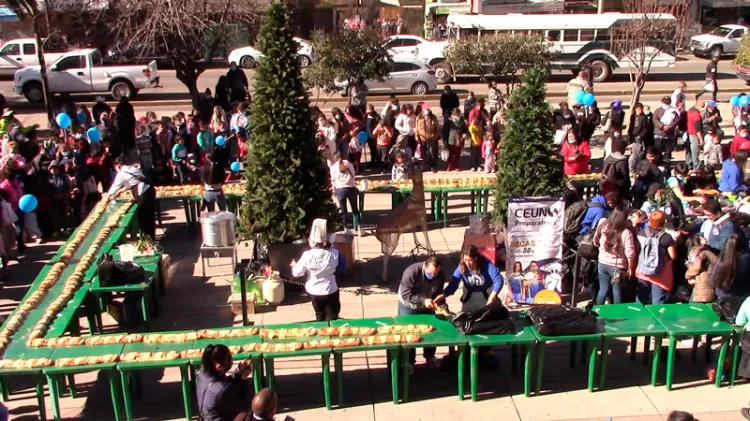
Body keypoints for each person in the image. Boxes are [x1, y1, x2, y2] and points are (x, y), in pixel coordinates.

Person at [291, 218, 347, 321]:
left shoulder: (307, 255)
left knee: (319, 314)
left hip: (314, 291)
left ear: (313, 242)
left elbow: (297, 273)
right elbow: (343, 267)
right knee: (333, 315)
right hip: (331, 289)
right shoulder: (334, 253)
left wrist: (294, 266)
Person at [398, 257, 445, 373]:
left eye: (435, 274)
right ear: (425, 266)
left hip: (428, 306)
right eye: (430, 273)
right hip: (409, 306)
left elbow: (438, 292)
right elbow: (406, 294)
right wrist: (423, 301)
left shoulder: (440, 274)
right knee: (409, 334)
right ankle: (409, 362)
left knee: (431, 331)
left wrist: (440, 301)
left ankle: (430, 357)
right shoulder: (411, 272)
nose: (433, 276)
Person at [195, 344, 252, 421]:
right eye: (228, 359)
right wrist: (243, 378)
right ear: (219, 367)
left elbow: (222, 382)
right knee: (249, 411)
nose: (231, 361)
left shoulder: (203, 373)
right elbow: (244, 405)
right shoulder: (222, 390)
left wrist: (238, 372)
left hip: (206, 417)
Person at [438, 245, 503, 312]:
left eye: (470, 260)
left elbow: (499, 280)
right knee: (467, 316)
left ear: (476, 258)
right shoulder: (461, 267)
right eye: (465, 260)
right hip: (470, 293)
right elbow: (453, 284)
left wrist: (492, 297)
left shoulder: (486, 264)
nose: (467, 263)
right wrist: (443, 295)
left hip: (487, 292)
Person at [104, 155, 156, 239]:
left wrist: (107, 197)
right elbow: (133, 181)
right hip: (150, 190)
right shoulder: (132, 169)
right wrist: (122, 190)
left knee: (145, 217)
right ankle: (151, 237)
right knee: (150, 216)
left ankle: (148, 239)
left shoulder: (121, 174)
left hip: (142, 193)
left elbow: (114, 187)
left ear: (118, 165)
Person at [593, 207, 637, 305]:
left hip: (602, 263)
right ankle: (617, 313)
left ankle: (597, 310)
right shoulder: (626, 233)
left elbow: (595, 242)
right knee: (617, 292)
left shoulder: (603, 226)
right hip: (618, 267)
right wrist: (631, 269)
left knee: (603, 289)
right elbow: (630, 254)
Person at [635, 210, 676, 305]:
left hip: (643, 270)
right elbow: (673, 256)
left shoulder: (641, 233)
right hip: (660, 274)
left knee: (641, 299)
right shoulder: (667, 237)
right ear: (663, 222)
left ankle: (637, 317)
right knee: (658, 302)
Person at [329, 154, 361, 233]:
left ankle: (346, 228)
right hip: (351, 188)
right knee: (355, 209)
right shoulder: (349, 164)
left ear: (334, 159)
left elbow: (333, 181)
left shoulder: (333, 168)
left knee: (343, 211)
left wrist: (334, 190)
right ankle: (360, 228)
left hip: (340, 190)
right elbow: (353, 174)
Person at [684, 238, 717, 303]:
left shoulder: (701, 254)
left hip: (702, 290)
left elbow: (696, 268)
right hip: (709, 285)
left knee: (697, 309)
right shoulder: (709, 253)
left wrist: (687, 275)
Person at [653, 96, 679, 164]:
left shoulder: (673, 111)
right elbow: (655, 120)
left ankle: (667, 166)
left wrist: (670, 127)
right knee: (658, 152)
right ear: (662, 102)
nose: (666, 104)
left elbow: (677, 120)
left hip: (669, 135)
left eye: (667, 103)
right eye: (664, 102)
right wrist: (662, 126)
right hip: (659, 134)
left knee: (668, 152)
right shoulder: (657, 111)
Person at [416, 106, 440, 172]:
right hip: (422, 138)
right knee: (423, 153)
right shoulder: (419, 118)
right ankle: (425, 166)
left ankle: (433, 166)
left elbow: (437, 128)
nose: (427, 116)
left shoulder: (434, 117)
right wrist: (417, 137)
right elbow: (417, 128)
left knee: (431, 153)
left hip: (431, 138)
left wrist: (435, 136)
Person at [685, 100, 705, 170]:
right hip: (694, 134)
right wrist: (701, 139)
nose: (702, 108)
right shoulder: (697, 115)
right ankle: (696, 166)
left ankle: (688, 165)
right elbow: (698, 128)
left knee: (689, 150)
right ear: (698, 105)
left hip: (688, 133)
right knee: (695, 151)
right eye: (702, 106)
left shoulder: (689, 110)